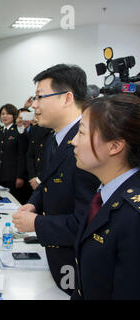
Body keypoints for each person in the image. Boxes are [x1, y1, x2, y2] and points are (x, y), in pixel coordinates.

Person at [12, 64, 100, 295]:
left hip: (79, 267)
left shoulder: (87, 144)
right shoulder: (54, 139)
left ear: (67, 98)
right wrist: (33, 203)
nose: (35, 106)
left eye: (40, 97)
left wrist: (36, 224)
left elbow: (87, 222)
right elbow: (49, 183)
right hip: (57, 260)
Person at [69, 94, 140, 299]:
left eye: (81, 132)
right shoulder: (105, 194)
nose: (73, 141)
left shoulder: (133, 216)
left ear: (115, 146)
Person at [0, 103, 26, 202]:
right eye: (2, 114)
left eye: (8, 114)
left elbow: (22, 155)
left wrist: (20, 176)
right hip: (0, 175)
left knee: (13, 201)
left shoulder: (18, 130)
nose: (5, 116)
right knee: (0, 201)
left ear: (14, 115)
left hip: (13, 176)